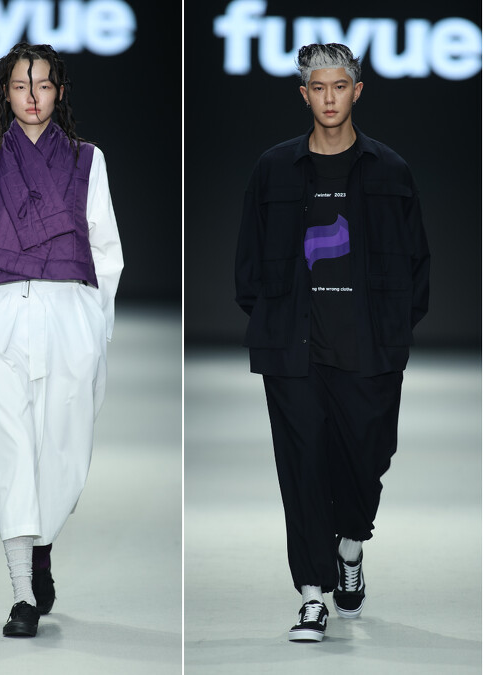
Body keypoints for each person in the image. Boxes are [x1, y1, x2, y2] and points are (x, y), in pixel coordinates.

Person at [234, 43, 429, 642]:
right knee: (302, 471)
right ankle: (312, 596)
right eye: (317, 88)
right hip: (294, 352)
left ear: (357, 91)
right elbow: (249, 264)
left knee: (368, 463)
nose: (328, 98)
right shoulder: (273, 169)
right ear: (304, 95)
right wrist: (276, 323)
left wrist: (392, 330)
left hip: (369, 351)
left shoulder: (391, 170)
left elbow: (417, 263)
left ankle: (350, 548)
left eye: (339, 86)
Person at [0, 42, 123, 638]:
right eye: (21, 86)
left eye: (43, 85)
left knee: (64, 452)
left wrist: (96, 323)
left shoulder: (88, 161)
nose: (32, 96)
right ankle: (23, 591)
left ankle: (42, 545)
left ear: (59, 91)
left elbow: (105, 247)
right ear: (7, 92)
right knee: (10, 452)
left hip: (68, 312)